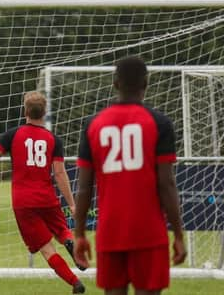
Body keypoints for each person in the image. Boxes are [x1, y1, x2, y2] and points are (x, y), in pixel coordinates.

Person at [74, 56, 186, 295]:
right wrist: (178, 233)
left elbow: (84, 188)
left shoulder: (93, 124)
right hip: (149, 232)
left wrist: (80, 234)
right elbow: (166, 184)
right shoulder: (160, 123)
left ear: (115, 83)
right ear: (146, 83)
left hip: (110, 231)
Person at [0, 91, 86, 294]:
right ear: (45, 112)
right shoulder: (53, 140)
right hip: (46, 197)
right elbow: (59, 174)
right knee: (62, 232)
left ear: (25, 111)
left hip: (23, 201)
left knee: (45, 247)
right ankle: (71, 244)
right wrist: (72, 203)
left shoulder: (13, 134)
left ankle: (75, 282)